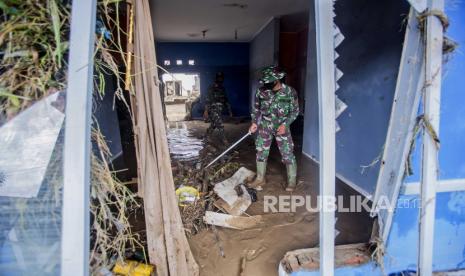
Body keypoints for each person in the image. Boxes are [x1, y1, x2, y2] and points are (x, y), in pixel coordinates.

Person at [248, 66, 299, 191]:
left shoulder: (290, 92)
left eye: (269, 81)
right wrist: (254, 122)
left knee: (287, 153)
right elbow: (257, 109)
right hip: (265, 126)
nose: (266, 84)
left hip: (282, 127)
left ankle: (291, 181)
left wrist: (285, 124)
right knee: (260, 151)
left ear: (277, 80)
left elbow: (295, 111)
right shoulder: (261, 92)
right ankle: (260, 178)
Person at [203, 71, 233, 143]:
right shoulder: (211, 88)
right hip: (213, 109)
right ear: (216, 78)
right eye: (219, 78)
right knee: (220, 124)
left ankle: (207, 136)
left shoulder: (222, 88)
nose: (220, 79)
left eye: (221, 78)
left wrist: (230, 111)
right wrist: (206, 111)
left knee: (214, 124)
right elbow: (207, 99)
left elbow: (226, 100)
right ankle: (225, 141)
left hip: (220, 109)